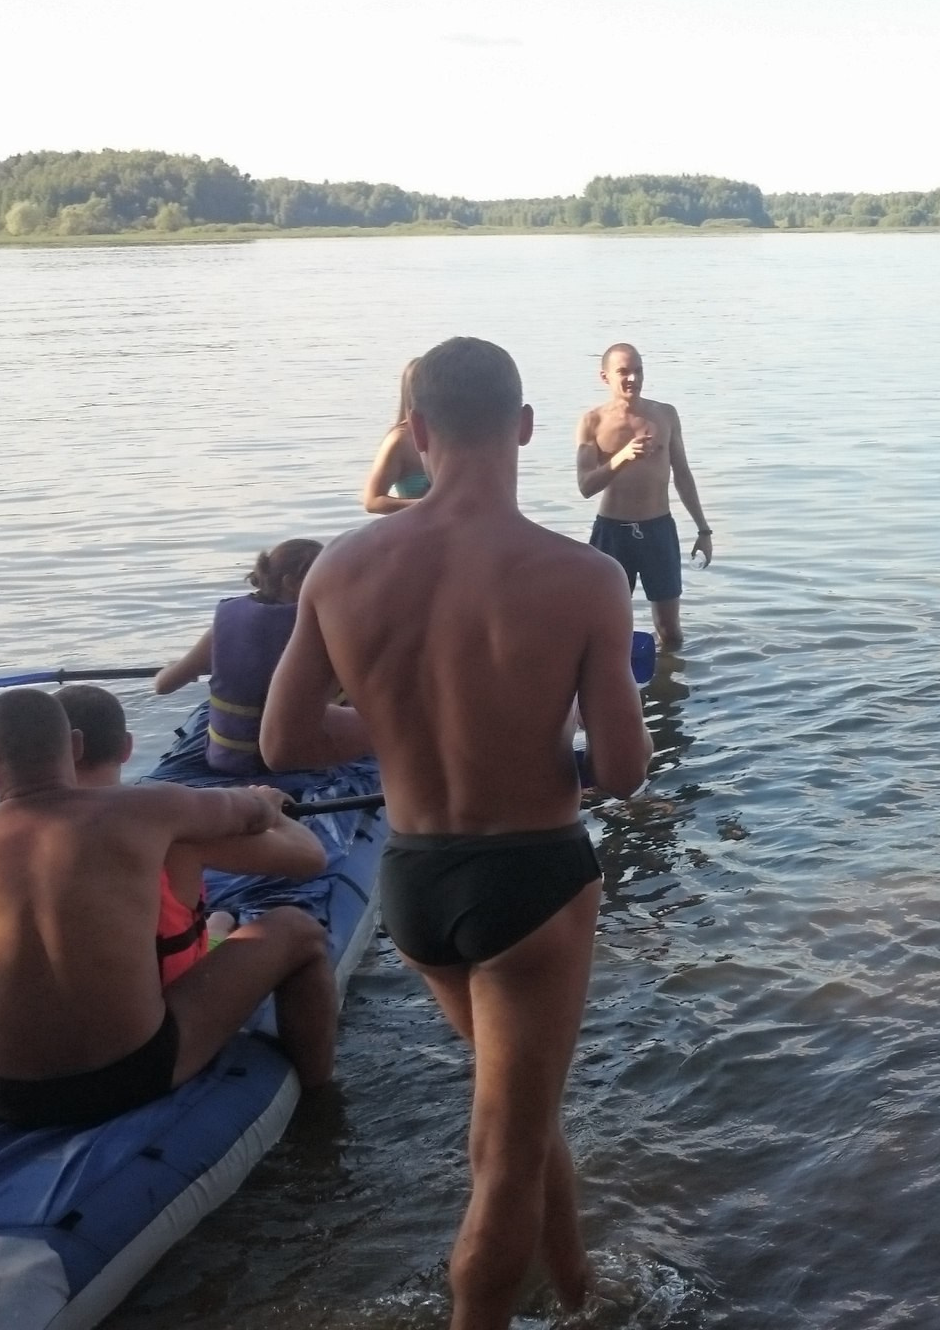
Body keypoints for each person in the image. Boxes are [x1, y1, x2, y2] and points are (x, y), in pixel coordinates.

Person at [261, 335, 650, 1330]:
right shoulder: (584, 577)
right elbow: (621, 771)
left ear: (420, 433)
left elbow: (285, 740)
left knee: (523, 1112)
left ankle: (579, 1294)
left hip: (415, 883)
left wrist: (402, 730)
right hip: (531, 883)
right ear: (523, 428)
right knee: (504, 1154)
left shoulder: (341, 569)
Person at [0, 689, 339, 1129]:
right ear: (74, 746)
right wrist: (266, 802)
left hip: (6, 1091)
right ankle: (320, 1103)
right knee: (298, 930)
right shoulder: (151, 808)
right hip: (138, 1072)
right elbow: (249, 815)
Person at [54, 684, 323, 975]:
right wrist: (274, 814)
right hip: (173, 992)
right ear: (127, 748)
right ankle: (218, 927)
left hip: (82, 988)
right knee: (296, 926)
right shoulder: (174, 827)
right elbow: (310, 856)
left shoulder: (25, 836)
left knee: (217, 920)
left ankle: (217, 925)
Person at [576, 342, 712, 651]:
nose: (633, 379)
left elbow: (683, 475)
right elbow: (585, 486)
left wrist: (704, 531)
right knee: (605, 628)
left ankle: (668, 679)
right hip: (612, 532)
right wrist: (622, 457)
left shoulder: (665, 415)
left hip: (657, 530)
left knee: (670, 632)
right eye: (623, 372)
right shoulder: (592, 421)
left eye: (638, 371)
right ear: (605, 377)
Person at [154, 538, 324, 775]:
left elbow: (163, 686)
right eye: (323, 578)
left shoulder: (230, 620)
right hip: (295, 764)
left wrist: (176, 666)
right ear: (291, 583)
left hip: (229, 761)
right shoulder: (321, 627)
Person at [361, 358, 432, 514]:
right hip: (415, 526)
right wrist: (428, 505)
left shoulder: (455, 434)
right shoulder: (399, 440)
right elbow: (372, 501)